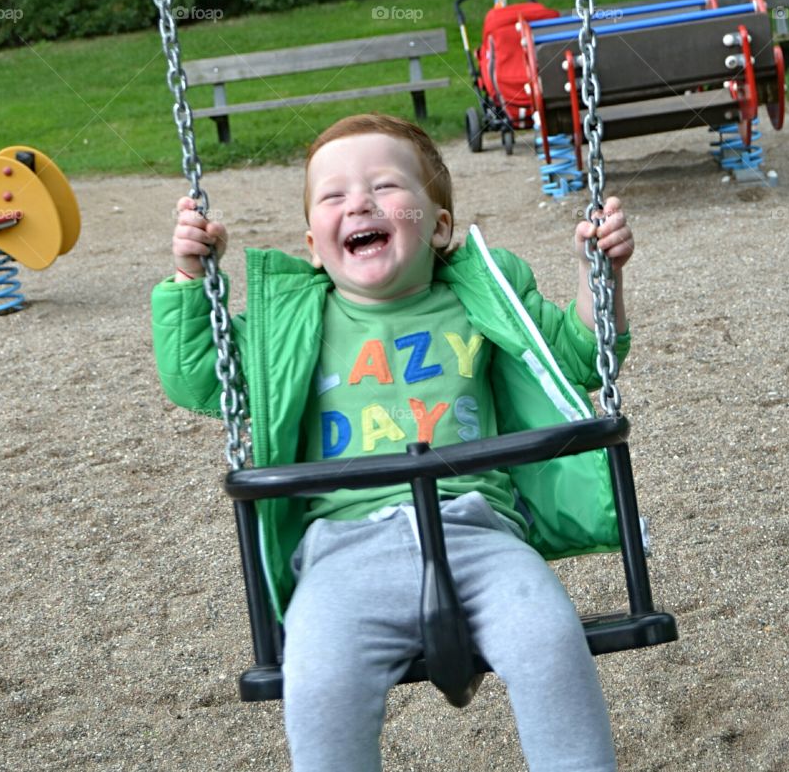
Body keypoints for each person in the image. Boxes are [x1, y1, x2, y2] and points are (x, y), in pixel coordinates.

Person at [152, 113, 635, 772]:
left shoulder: (483, 296)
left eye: (385, 185)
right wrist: (189, 276)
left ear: (439, 226)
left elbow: (579, 356)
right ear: (316, 247)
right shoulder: (290, 324)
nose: (359, 202)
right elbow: (195, 375)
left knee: (550, 640)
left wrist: (598, 275)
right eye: (334, 195)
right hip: (342, 553)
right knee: (317, 677)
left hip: (481, 534)